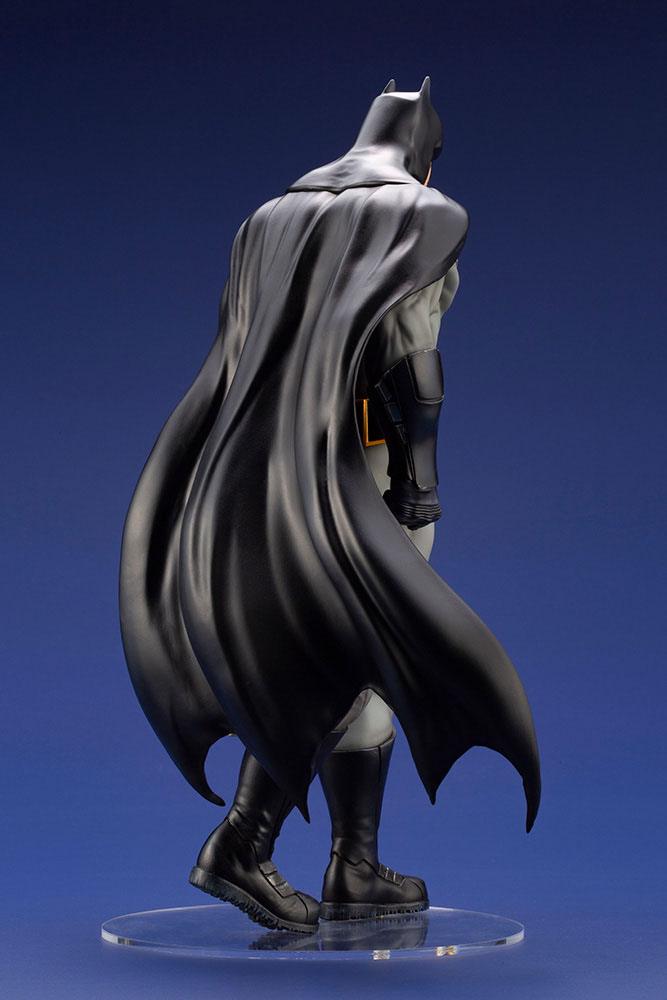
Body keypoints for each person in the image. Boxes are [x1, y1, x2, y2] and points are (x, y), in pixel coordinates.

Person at [120, 79, 540, 934]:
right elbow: (414, 366)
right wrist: (419, 488)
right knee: (355, 649)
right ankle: (243, 839)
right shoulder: (418, 216)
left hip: (246, 470)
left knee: (337, 652)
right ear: (426, 157)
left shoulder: (270, 219)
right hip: (358, 468)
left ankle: (354, 862)